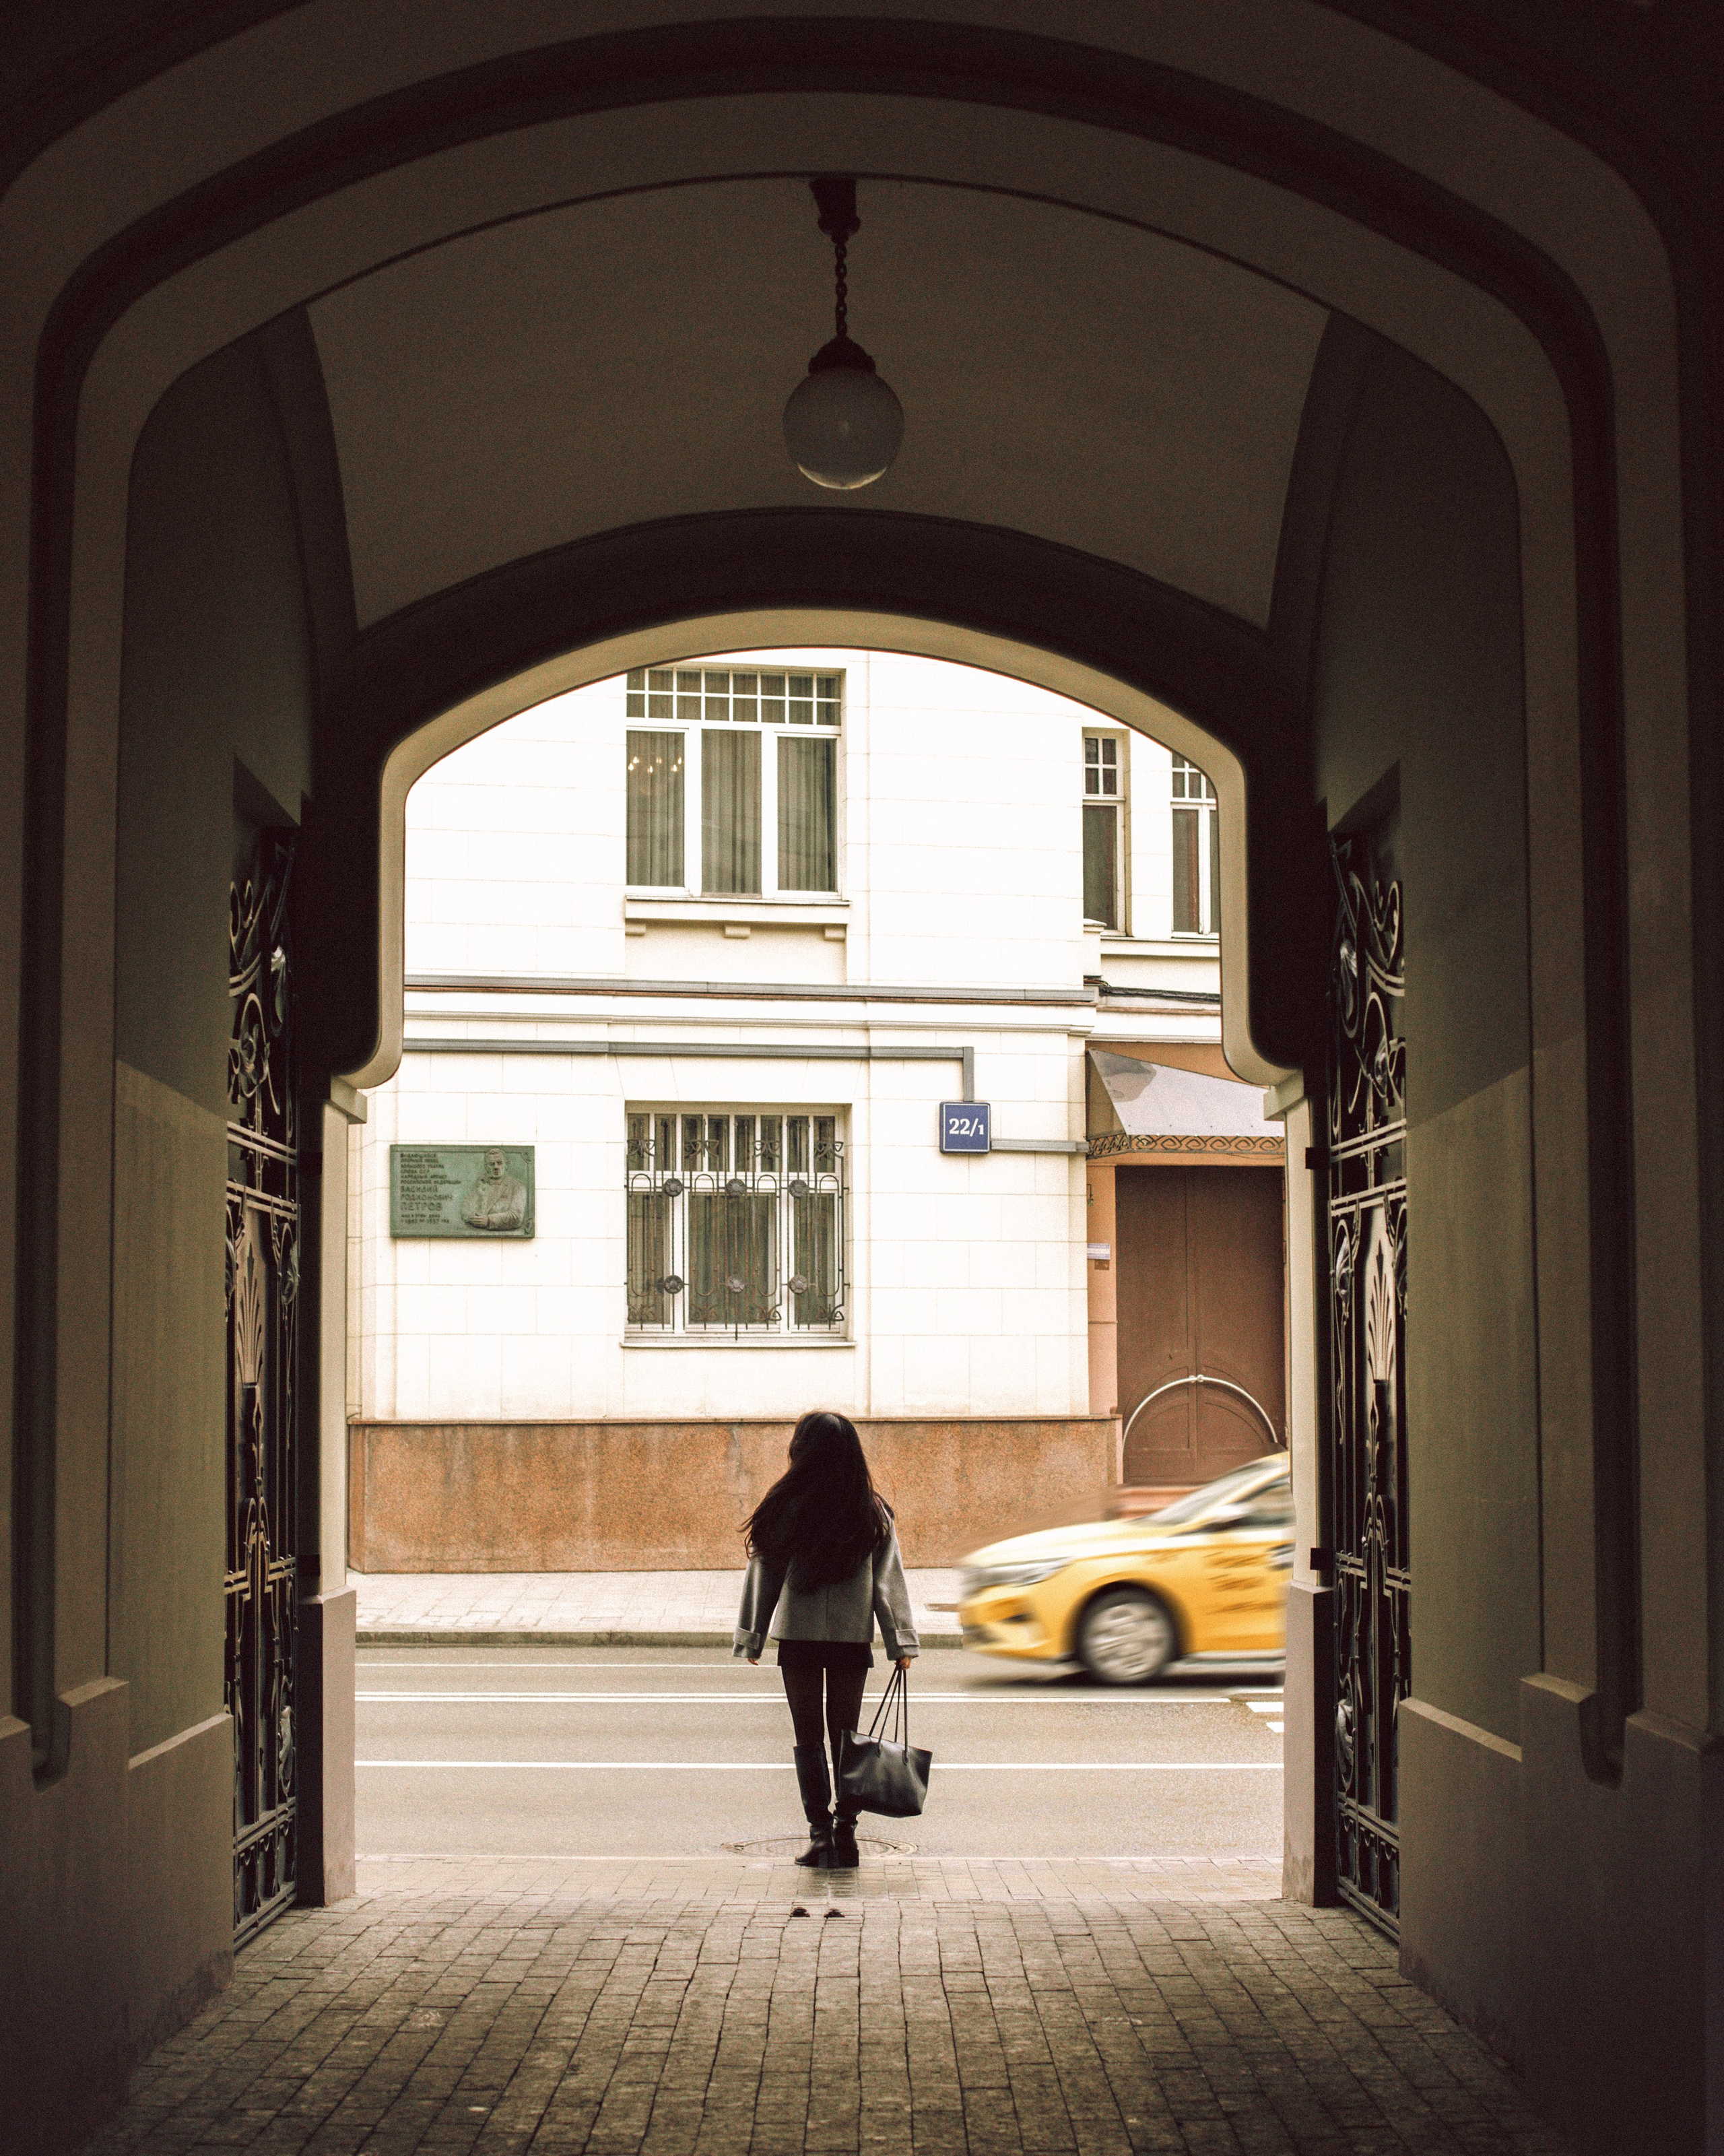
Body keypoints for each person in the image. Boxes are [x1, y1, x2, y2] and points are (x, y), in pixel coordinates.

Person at [735, 1410, 918, 1869]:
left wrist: (752, 1636)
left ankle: (820, 1836)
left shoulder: (788, 1504)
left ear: (803, 1450)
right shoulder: (870, 1510)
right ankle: (846, 1834)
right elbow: (887, 1582)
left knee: (808, 1736)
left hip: (798, 1637)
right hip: (850, 1640)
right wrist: (900, 1643)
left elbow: (765, 1572)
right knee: (847, 1739)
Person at [461, 1147, 527, 1232]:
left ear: (506, 1165)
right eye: (492, 1164)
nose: (496, 1167)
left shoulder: (518, 1187)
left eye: (499, 1163)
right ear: (486, 1167)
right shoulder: (481, 1183)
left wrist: (489, 1221)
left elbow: (517, 1217)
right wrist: (473, 1218)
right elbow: (465, 1209)